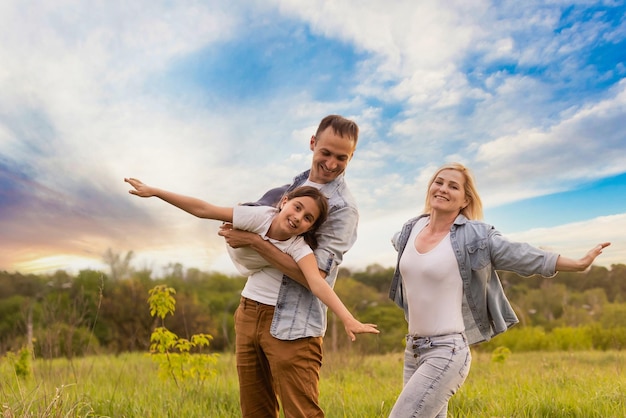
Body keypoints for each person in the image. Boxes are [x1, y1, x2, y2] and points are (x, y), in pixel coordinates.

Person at [387, 162, 610, 418]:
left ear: (464, 200)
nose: (443, 189)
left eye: (453, 186)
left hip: (446, 352)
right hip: (413, 350)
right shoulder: (409, 230)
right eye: (439, 182)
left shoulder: (476, 237)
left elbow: (521, 254)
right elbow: (397, 243)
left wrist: (578, 264)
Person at [217, 114, 363, 417]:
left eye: (342, 157)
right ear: (313, 143)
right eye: (326, 153)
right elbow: (261, 220)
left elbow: (315, 276)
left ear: (351, 157)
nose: (332, 163)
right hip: (249, 310)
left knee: (302, 414)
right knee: (255, 412)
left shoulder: (343, 209)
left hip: (293, 324)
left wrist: (256, 244)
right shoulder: (295, 185)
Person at [124, 179, 378, 343]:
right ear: (285, 202)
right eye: (297, 207)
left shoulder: (299, 247)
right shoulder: (259, 217)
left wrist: (348, 318)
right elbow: (204, 210)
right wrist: (156, 192)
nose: (299, 217)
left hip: (258, 265)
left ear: (309, 227)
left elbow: (318, 283)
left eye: (308, 218)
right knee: (238, 218)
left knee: (282, 261)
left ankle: (260, 247)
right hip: (240, 255)